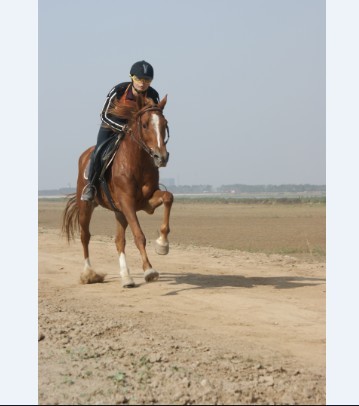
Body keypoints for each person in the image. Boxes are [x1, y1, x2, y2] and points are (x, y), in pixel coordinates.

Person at [81, 60, 160, 202]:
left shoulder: (153, 95)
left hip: (137, 131)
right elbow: (104, 115)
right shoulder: (119, 90)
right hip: (111, 126)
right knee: (99, 151)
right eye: (138, 79)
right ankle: (91, 186)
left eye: (147, 80)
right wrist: (123, 128)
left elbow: (154, 117)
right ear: (131, 77)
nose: (142, 83)